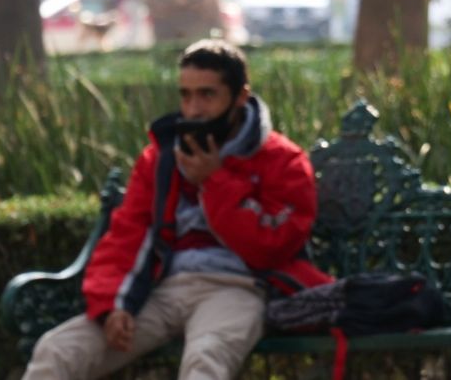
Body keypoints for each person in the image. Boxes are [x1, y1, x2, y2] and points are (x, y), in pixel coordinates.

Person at [23, 39, 332, 379]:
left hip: (240, 288)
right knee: (58, 350)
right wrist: (114, 305)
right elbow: (128, 234)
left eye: (207, 95)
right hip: (163, 290)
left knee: (205, 363)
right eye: (185, 95)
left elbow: (273, 245)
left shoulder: (283, 159)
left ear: (241, 97)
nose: (194, 109)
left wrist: (215, 182)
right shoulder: (160, 158)